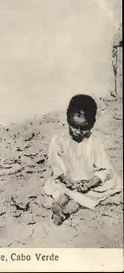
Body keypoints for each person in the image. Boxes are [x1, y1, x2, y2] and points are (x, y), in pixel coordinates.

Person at [43, 94, 122, 225]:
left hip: (89, 183)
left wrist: (91, 183)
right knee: (60, 188)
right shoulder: (58, 140)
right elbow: (56, 164)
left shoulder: (95, 142)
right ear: (68, 119)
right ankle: (60, 203)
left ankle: (66, 211)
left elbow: (104, 169)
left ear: (92, 124)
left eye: (84, 128)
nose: (78, 132)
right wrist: (65, 179)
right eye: (74, 126)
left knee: (89, 194)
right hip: (68, 180)